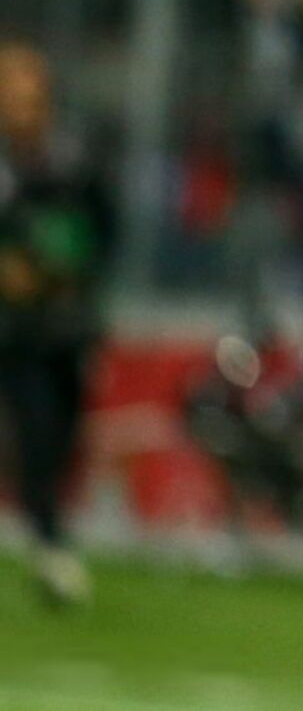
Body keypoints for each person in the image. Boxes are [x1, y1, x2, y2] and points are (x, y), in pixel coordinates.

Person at [0, 37, 115, 608]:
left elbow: (102, 232)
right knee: (33, 432)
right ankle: (51, 545)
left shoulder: (75, 160)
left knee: (60, 437)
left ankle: (50, 535)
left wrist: (64, 270)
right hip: (12, 332)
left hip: (64, 325)